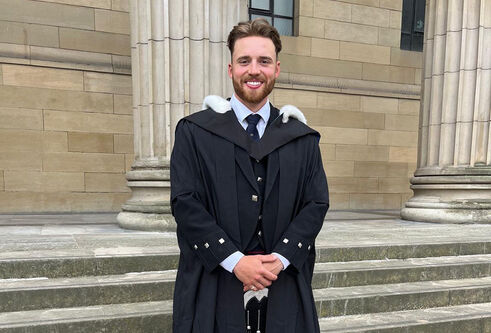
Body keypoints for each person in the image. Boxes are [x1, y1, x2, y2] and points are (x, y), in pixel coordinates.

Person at [170, 18, 329, 333]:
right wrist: (234, 260)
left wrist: (280, 258)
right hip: (216, 281)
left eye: (264, 61)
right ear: (231, 70)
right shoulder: (194, 131)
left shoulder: (302, 138)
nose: (254, 70)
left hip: (282, 281)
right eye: (244, 61)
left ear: (277, 69)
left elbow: (315, 203)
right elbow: (185, 202)